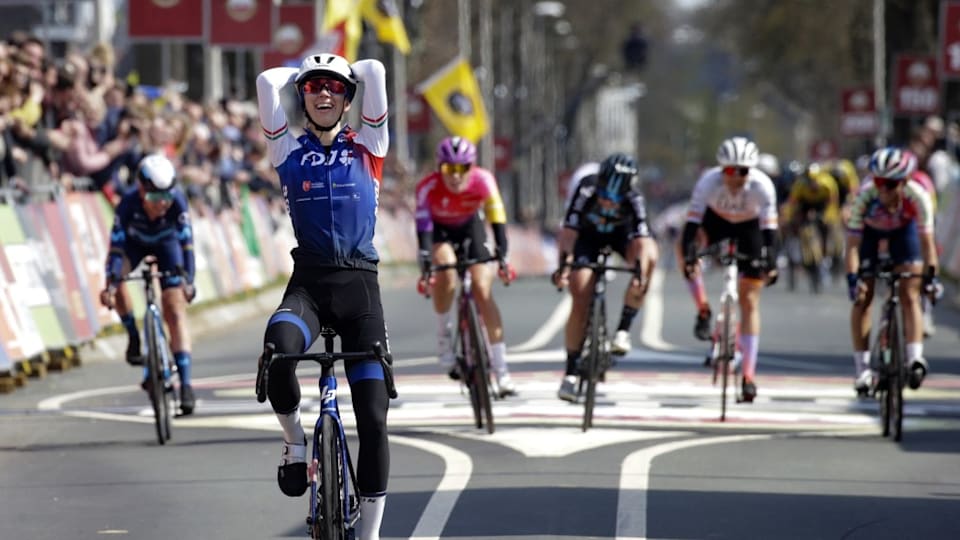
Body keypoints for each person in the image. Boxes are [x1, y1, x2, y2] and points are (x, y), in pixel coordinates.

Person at [255, 52, 392, 540]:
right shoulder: (286, 151)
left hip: (360, 290)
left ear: (349, 97)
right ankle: (294, 442)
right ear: (302, 97)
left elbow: (374, 69)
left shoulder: (370, 145)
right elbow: (265, 80)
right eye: (314, 88)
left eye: (335, 87)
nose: (325, 93)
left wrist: (337, 69)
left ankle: (371, 534)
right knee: (277, 353)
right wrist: (300, 73)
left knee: (373, 417)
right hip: (309, 286)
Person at [414, 136, 518, 396]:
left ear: (472, 167)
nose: (456, 176)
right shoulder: (427, 187)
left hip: (471, 228)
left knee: (483, 290)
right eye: (449, 169)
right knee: (446, 272)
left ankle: (502, 371)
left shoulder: (484, 180)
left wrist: (502, 254)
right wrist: (427, 260)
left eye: (462, 168)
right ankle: (444, 337)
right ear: (440, 168)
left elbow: (497, 220)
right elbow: (424, 230)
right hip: (440, 233)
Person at [552, 153, 658, 402]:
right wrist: (563, 267)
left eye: (615, 199)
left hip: (621, 238)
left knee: (650, 257)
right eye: (605, 197)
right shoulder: (587, 188)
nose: (609, 204)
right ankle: (570, 371)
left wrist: (640, 274)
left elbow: (642, 241)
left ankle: (623, 329)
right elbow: (568, 233)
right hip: (588, 239)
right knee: (580, 291)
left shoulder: (634, 198)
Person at [680, 137, 779, 403]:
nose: (735, 178)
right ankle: (703, 308)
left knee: (749, 299)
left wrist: (771, 261)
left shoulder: (763, 186)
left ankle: (748, 376)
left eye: (742, 172)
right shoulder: (707, 182)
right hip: (717, 223)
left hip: (749, 229)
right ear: (720, 169)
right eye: (729, 171)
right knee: (686, 250)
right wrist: (690, 254)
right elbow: (692, 222)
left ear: (752, 171)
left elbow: (770, 231)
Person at [99, 153, 197, 415]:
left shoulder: (177, 201)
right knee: (116, 279)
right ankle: (133, 335)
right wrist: (110, 284)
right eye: (155, 198)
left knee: (174, 309)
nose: (162, 203)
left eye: (166, 196)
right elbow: (116, 249)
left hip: (168, 247)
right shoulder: (128, 204)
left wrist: (189, 281)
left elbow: (187, 246)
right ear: (142, 191)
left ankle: (186, 385)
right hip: (135, 245)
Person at [845, 146, 941, 396]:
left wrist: (931, 279)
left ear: (905, 181)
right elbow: (852, 247)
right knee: (863, 298)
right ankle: (863, 369)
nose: (883, 189)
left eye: (890, 184)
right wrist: (853, 280)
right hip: (870, 234)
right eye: (878, 182)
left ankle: (914, 359)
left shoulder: (918, 197)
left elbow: (928, 245)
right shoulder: (865, 197)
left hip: (903, 232)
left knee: (910, 293)